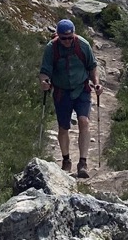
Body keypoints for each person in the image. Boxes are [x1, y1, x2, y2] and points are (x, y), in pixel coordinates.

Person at [39, 18, 100, 178]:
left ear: (74, 35)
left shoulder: (83, 45)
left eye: (70, 37)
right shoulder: (51, 48)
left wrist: (97, 84)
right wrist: (44, 82)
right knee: (63, 127)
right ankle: (66, 160)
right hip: (62, 91)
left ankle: (83, 162)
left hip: (82, 89)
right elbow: (45, 70)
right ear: (58, 36)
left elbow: (92, 66)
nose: (67, 41)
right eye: (63, 38)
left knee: (84, 121)